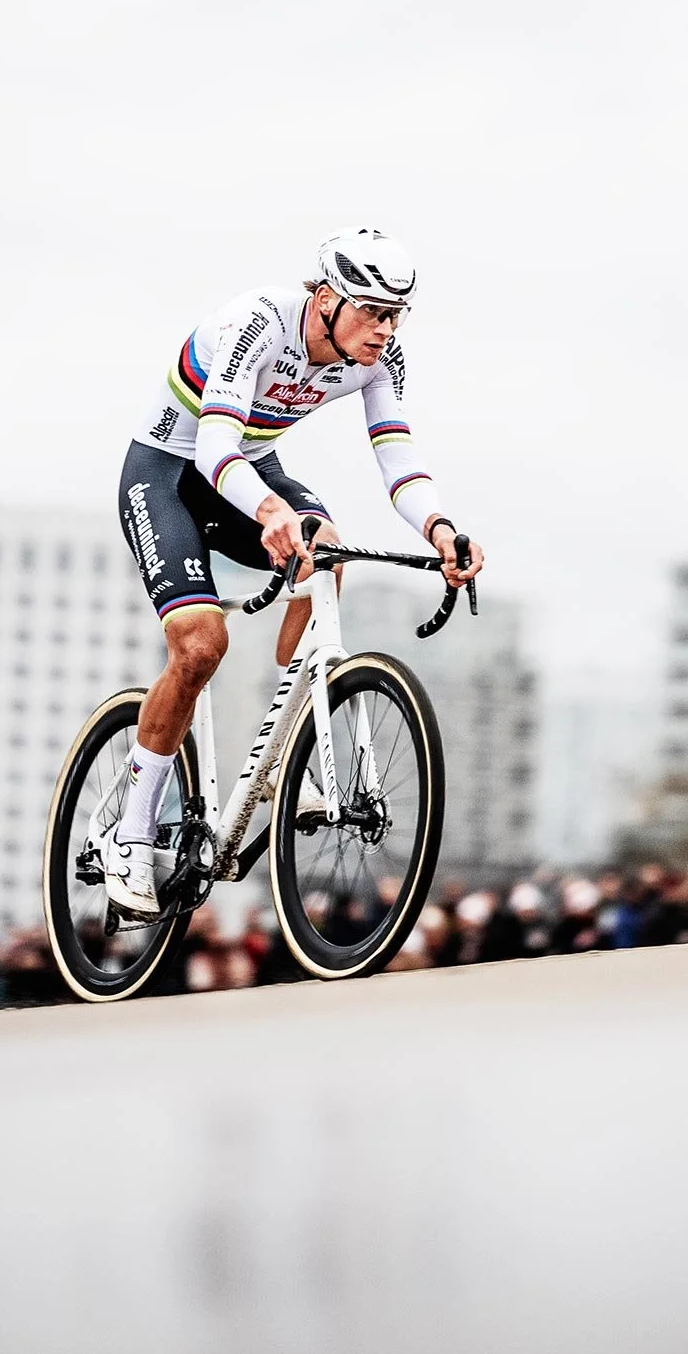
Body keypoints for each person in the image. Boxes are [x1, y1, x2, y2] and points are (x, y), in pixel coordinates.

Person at [106, 228, 483, 919]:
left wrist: (440, 528)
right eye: (372, 311)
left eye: (397, 313)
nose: (384, 328)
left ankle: (281, 753)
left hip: (247, 472)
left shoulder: (379, 360)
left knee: (326, 549)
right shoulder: (258, 321)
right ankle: (130, 837)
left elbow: (396, 459)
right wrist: (271, 508)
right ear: (327, 299)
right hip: (168, 472)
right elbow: (215, 443)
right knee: (199, 648)